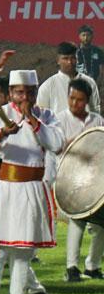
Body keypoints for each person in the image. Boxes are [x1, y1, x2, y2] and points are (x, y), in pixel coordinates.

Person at [0, 70, 64, 294]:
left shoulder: (47, 116)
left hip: (33, 189)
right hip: (7, 188)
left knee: (23, 249)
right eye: (19, 92)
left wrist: (33, 121)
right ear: (10, 93)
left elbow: (57, 143)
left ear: (36, 93)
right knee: (1, 248)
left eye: (30, 92)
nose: (25, 97)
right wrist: (2, 135)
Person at [57, 79, 104, 281]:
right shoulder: (59, 120)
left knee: (101, 224)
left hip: (96, 183)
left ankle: (93, 266)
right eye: (72, 98)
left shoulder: (97, 122)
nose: (75, 103)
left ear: (87, 101)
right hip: (69, 181)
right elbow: (55, 148)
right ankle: (71, 267)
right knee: (77, 221)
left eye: (80, 100)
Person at [38, 42, 101, 114]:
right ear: (58, 60)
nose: (69, 62)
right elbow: (42, 115)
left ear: (77, 59)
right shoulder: (48, 86)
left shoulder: (89, 82)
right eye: (65, 58)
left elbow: (95, 110)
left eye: (73, 58)